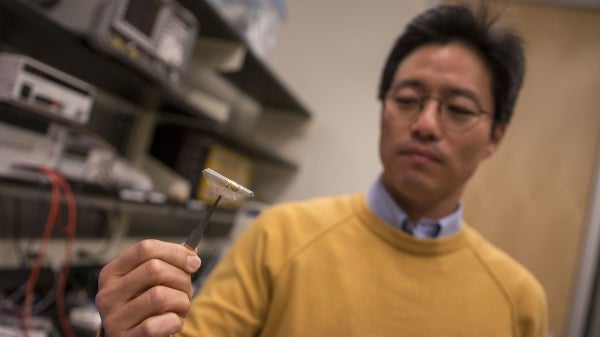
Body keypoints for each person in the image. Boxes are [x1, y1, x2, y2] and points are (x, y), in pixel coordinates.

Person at [95, 3, 548, 337]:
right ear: (383, 110)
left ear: (496, 137)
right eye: (407, 100)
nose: (426, 124)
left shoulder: (519, 300)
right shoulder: (280, 237)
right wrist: (132, 325)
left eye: (459, 109)